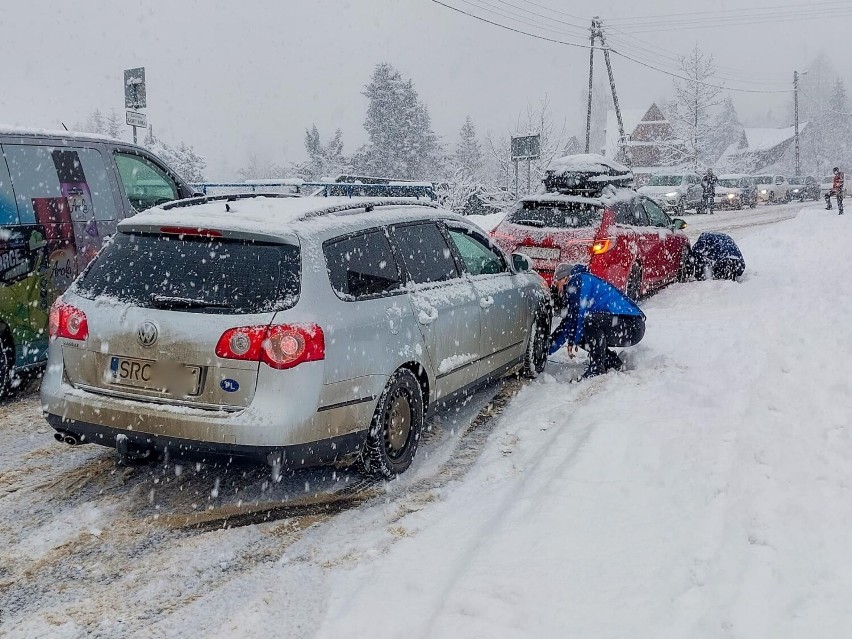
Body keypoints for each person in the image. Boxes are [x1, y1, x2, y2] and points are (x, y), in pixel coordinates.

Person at [548, 263, 646, 379]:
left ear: (564, 278)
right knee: (579, 330)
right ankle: (610, 361)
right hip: (626, 326)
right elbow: (569, 323)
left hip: (631, 324)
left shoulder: (578, 280)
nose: (556, 287)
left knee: (589, 321)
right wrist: (547, 349)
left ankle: (597, 368)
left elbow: (580, 314)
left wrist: (572, 339)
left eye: (556, 282)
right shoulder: (576, 286)